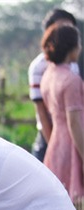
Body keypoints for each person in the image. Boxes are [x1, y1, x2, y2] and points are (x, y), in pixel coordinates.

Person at [40, 23, 84, 207]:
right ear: (72, 47)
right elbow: (74, 122)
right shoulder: (71, 80)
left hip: (56, 141)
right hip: (73, 142)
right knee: (77, 205)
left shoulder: (49, 74)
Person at [27, 9, 79, 162]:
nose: (66, 33)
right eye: (62, 28)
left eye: (70, 29)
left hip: (71, 137)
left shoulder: (72, 65)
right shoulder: (38, 66)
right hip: (49, 136)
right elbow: (41, 112)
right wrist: (54, 149)